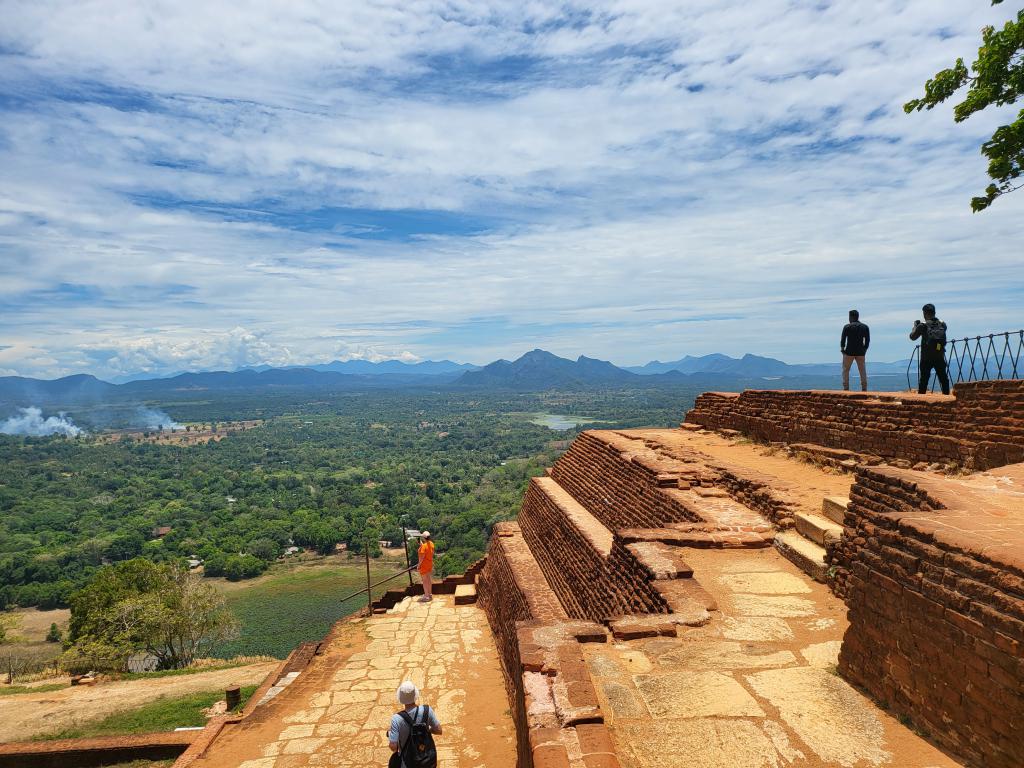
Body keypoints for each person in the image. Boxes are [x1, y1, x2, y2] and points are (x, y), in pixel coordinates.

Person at [388, 681, 441, 768]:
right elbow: (439, 730)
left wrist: (391, 735)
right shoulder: (427, 711)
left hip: (407, 762)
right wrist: (427, 731)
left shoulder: (396, 719)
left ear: (401, 698)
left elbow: (393, 747)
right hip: (426, 760)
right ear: (415, 695)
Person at [910, 303, 950, 395]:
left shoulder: (923, 325)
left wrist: (915, 326)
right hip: (939, 355)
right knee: (943, 378)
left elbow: (912, 337)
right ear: (934, 312)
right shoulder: (943, 324)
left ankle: (920, 400)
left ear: (924, 313)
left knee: (924, 379)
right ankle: (947, 398)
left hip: (926, 357)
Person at [840, 309, 870, 391]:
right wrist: (865, 350)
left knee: (846, 370)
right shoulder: (865, 327)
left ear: (851, 317)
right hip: (861, 352)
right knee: (862, 370)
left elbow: (843, 339)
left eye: (849, 317)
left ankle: (846, 388)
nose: (849, 319)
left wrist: (842, 349)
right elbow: (867, 340)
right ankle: (864, 388)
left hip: (849, 352)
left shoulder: (847, 327)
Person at [417, 532, 435, 603]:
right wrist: (422, 545)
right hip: (429, 563)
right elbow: (431, 552)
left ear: (424, 538)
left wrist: (419, 565)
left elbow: (422, 557)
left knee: (424, 581)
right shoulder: (431, 543)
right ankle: (429, 594)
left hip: (424, 565)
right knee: (428, 579)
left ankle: (426, 596)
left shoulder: (424, 546)